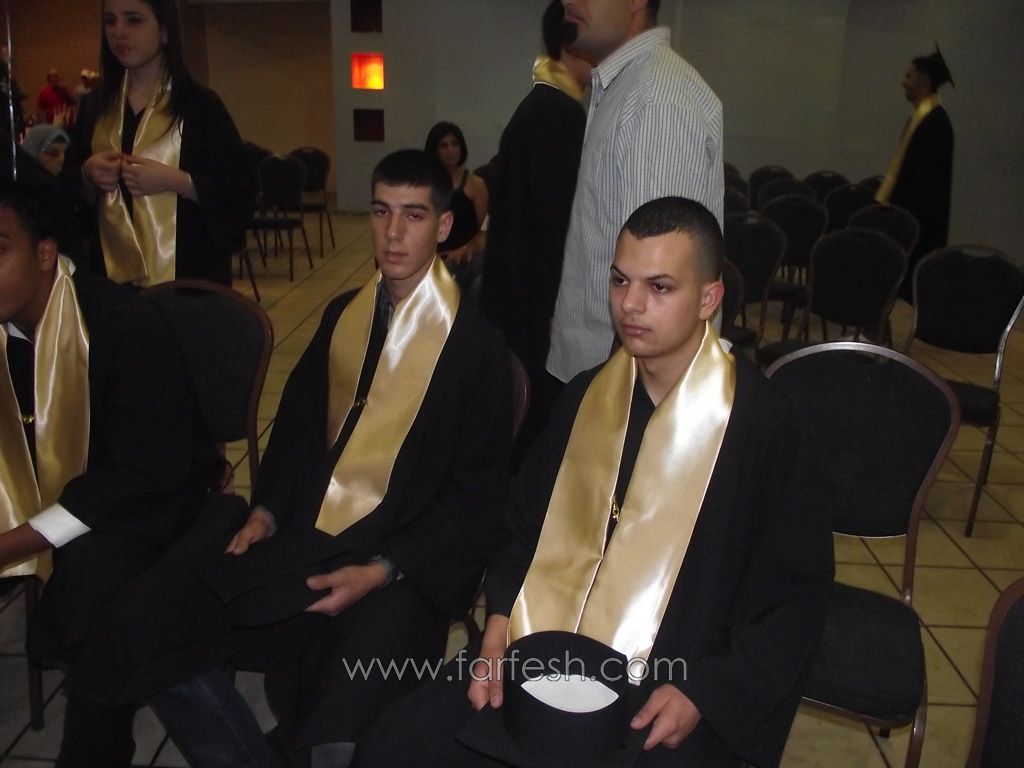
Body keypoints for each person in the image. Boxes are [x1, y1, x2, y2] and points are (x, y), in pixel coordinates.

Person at [64, 149, 515, 768]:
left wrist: (381, 570)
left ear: (443, 226)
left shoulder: (476, 350)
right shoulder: (342, 317)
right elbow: (296, 433)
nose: (392, 232)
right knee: (140, 622)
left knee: (337, 728)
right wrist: (268, 511)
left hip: (399, 562)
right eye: (381, 211)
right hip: (303, 535)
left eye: (413, 215)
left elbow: (475, 503)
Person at [356, 197, 833, 768]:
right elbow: (520, 528)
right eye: (620, 280)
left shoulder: (764, 427)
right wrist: (500, 620)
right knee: (394, 745)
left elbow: (794, 598)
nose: (630, 304)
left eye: (660, 287)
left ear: (709, 298)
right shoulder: (584, 399)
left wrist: (704, 693)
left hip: (668, 679)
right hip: (539, 649)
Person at [0, 180, 220, 674]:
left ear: (44, 254)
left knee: (96, 593)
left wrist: (19, 541)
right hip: (65, 493)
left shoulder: (122, 325)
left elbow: (141, 472)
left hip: (153, 496)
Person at [546, 0, 724, 385]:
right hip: (596, 373)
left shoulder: (655, 100)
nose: (567, 1)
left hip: (618, 385)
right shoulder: (627, 86)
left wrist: (621, 403)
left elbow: (657, 289)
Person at [67, 0, 249, 286]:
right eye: (111, 21)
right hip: (112, 286)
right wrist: (87, 175)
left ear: (164, 30)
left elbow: (240, 192)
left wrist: (177, 181)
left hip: (188, 280)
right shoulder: (96, 107)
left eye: (133, 20)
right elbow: (67, 198)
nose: (119, 32)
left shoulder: (199, 106)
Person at [480, 0, 591, 463]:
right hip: (532, 313)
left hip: (515, 303)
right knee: (533, 443)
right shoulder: (557, 114)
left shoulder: (543, 104)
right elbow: (552, 231)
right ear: (572, 42)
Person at [875, 46, 955, 302]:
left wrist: (906, 222)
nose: (904, 82)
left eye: (909, 76)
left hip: (918, 223)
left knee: (906, 286)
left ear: (924, 80)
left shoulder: (936, 124)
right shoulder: (923, 118)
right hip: (908, 217)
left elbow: (925, 184)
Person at [425, 121, 488, 270]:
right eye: (444, 146)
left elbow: (483, 231)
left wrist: (462, 250)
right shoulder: (425, 185)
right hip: (432, 257)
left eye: (454, 144)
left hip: (465, 258)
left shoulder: (476, 184)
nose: (450, 150)